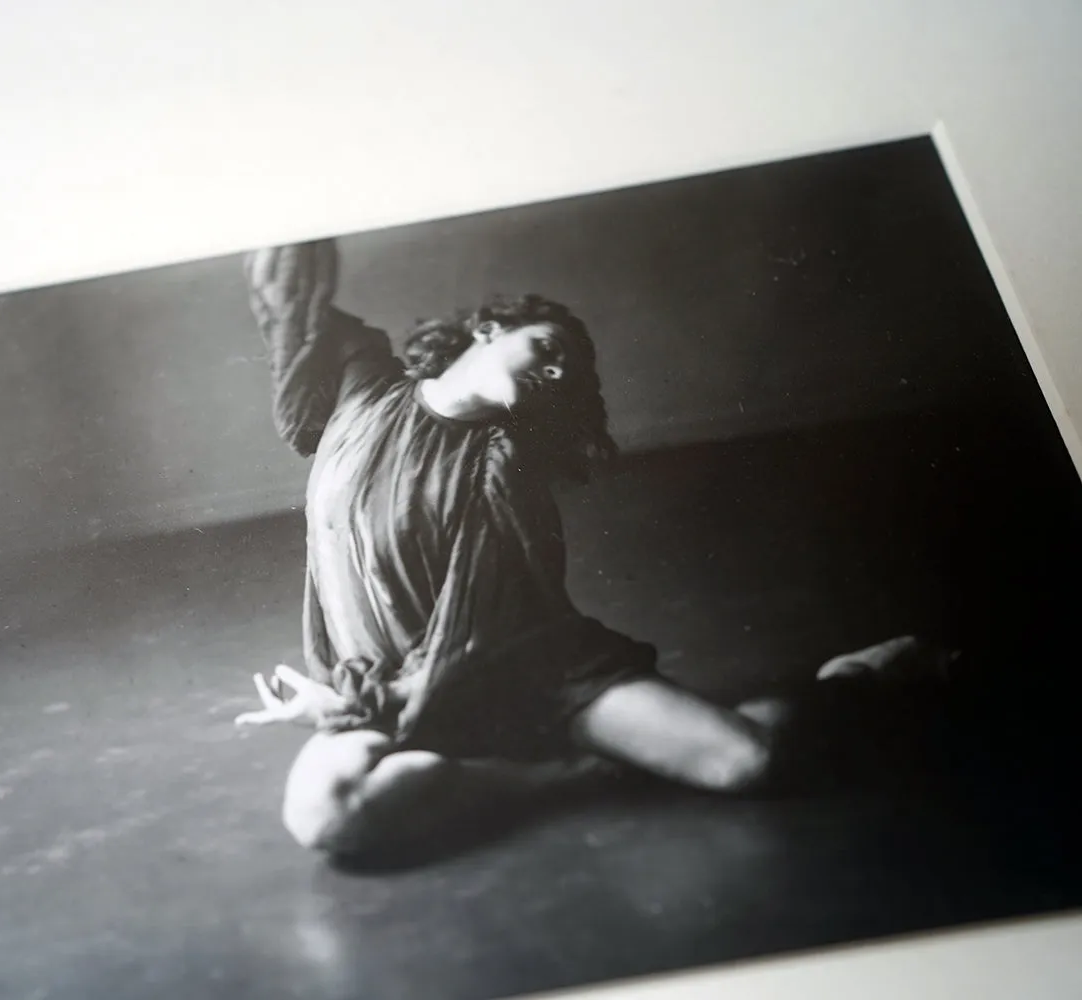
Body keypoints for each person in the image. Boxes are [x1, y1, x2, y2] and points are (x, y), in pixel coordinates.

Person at [232, 240, 952, 858]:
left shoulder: (498, 470)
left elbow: (479, 635)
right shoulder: (363, 386)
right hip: (398, 686)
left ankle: (855, 680)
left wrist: (350, 706)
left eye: (563, 376)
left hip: (525, 676)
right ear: (489, 328)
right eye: (547, 349)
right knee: (327, 814)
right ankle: (554, 773)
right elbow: (290, 303)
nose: (554, 372)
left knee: (749, 761)